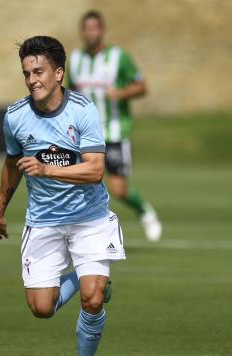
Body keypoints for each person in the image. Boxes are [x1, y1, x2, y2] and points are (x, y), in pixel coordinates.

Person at [0, 36, 124, 356]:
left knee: (92, 299)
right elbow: (11, 165)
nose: (32, 79)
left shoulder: (83, 110)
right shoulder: (15, 116)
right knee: (41, 309)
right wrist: (0, 212)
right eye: (26, 73)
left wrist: (48, 170)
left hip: (90, 219)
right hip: (43, 221)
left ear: (59, 73)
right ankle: (88, 278)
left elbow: (95, 170)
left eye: (39, 71)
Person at [67, 10, 162, 242]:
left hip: (115, 132)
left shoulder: (119, 57)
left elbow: (141, 86)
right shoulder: (76, 60)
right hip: (85, 136)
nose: (90, 33)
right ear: (82, 32)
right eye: (86, 29)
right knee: (81, 184)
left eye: (94, 28)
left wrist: (120, 93)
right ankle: (88, 234)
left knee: (118, 189)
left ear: (102, 30)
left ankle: (145, 212)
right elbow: (69, 94)